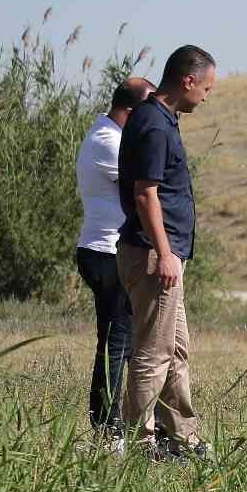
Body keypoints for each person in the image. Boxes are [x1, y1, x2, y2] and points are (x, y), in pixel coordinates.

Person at [116, 44, 216, 460]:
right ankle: (138, 444)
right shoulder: (155, 125)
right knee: (154, 353)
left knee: (175, 351)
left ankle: (183, 438)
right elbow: (146, 195)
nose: (207, 96)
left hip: (162, 254)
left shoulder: (158, 118)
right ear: (187, 81)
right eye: (206, 87)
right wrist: (165, 252)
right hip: (154, 256)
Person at [74, 75, 154, 444]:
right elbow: (147, 185)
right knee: (117, 342)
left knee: (117, 340)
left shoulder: (106, 137)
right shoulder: (110, 143)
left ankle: (111, 423)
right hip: (107, 252)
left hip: (103, 249)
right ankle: (108, 427)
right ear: (132, 110)